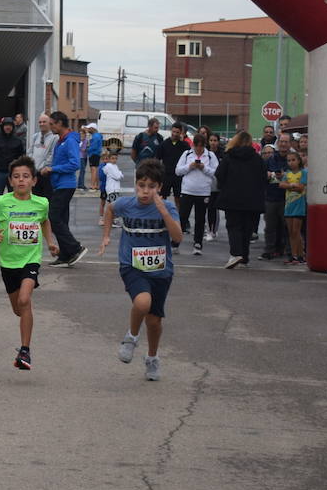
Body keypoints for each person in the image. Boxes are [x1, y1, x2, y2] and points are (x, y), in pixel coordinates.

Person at [99, 158, 182, 382]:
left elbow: (177, 237)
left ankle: (152, 358)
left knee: (154, 321)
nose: (145, 191)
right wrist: (106, 236)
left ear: (159, 188)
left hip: (161, 270)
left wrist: (163, 211)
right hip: (132, 265)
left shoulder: (169, 208)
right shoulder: (127, 204)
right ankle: (131, 337)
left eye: (151, 187)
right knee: (142, 303)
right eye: (142, 185)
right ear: (136, 184)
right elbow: (110, 210)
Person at [0, 156, 57, 371]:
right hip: (8, 262)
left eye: (25, 176)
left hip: (31, 259)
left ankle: (25, 350)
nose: (21, 180)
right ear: (11, 181)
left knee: (25, 298)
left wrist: (50, 242)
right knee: (19, 308)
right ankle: (25, 320)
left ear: (33, 181)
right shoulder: (2, 203)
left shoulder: (41, 203)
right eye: (16, 177)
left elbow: (44, 221)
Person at [214, 131, 267, 269]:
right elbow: (264, 178)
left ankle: (236, 253)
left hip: (232, 197)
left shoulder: (229, 157)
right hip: (252, 199)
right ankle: (245, 257)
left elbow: (219, 174)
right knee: (247, 228)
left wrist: (224, 186)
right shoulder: (257, 158)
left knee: (233, 226)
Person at [45, 111, 86, 267]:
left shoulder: (69, 141)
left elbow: (75, 163)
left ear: (60, 123)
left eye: (52, 124)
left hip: (66, 184)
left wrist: (53, 169)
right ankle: (65, 255)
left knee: (53, 217)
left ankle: (75, 248)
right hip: (59, 184)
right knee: (61, 220)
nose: (50, 126)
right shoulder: (60, 140)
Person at [175, 133, 219, 255]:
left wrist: (203, 168)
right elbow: (178, 171)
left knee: (200, 219)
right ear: (193, 145)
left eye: (201, 146)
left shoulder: (210, 156)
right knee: (182, 217)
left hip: (203, 192)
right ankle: (175, 242)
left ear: (205, 145)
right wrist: (190, 166)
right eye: (196, 146)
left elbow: (216, 172)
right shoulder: (187, 154)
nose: (198, 149)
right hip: (187, 190)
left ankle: (198, 244)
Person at [260, 135, 291, 260]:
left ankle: (289, 251)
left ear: (290, 144)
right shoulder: (270, 160)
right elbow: (261, 175)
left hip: (287, 198)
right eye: (281, 142)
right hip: (271, 197)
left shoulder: (293, 159)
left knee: (287, 227)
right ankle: (269, 250)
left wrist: (284, 176)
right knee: (270, 227)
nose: (283, 144)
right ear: (278, 143)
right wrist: (268, 175)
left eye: (286, 142)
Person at [0, 116, 25, 198]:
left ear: (12, 127)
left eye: (10, 125)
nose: (8, 127)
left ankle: (13, 211)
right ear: (2, 126)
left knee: (14, 195)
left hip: (13, 172)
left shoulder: (17, 140)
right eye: (6, 125)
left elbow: (21, 155)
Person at [281, 150, 308, 265]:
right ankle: (293, 255)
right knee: (291, 232)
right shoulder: (287, 173)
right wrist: (292, 185)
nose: (291, 163)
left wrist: (289, 186)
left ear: (298, 161)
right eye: (289, 160)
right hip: (289, 205)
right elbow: (281, 184)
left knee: (297, 231)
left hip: (299, 205)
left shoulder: (303, 173)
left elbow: (301, 187)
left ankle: (301, 255)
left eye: (293, 160)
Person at [159, 122, 190, 200]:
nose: (175, 134)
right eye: (173, 131)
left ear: (181, 133)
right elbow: (158, 159)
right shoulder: (164, 144)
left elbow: (189, 159)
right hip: (166, 175)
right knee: (162, 197)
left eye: (177, 132)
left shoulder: (185, 145)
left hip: (179, 176)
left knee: (178, 198)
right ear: (171, 131)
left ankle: (178, 213)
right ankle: (162, 212)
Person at [84, 123, 104, 190]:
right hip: (97, 154)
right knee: (96, 169)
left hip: (93, 154)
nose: (88, 130)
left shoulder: (95, 136)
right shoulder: (98, 135)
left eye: (89, 128)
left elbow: (94, 146)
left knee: (93, 170)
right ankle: (97, 185)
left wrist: (87, 149)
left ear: (93, 129)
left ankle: (92, 185)